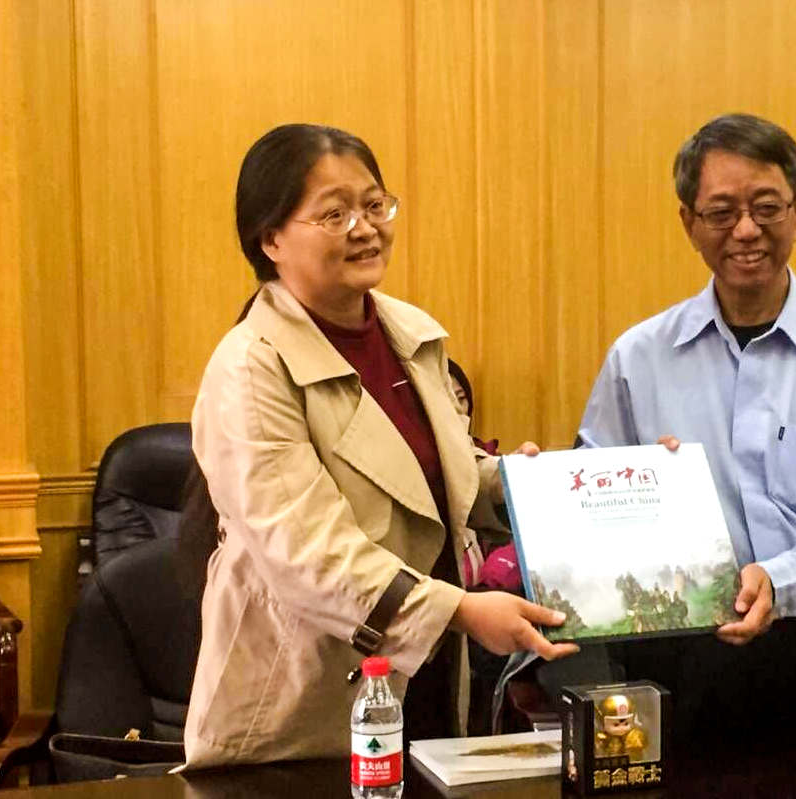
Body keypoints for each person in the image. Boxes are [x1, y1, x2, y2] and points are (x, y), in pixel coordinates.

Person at [182, 124, 575, 769]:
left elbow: (438, 480)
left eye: (374, 205)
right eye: (334, 214)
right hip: (304, 714)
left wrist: (556, 486)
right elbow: (309, 553)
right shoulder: (249, 368)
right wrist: (458, 610)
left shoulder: (409, 334)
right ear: (271, 239)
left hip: (427, 678)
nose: (365, 228)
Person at [577, 113, 796, 740]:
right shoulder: (638, 359)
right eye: (722, 212)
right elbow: (590, 508)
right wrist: (589, 490)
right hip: (677, 656)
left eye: (767, 207)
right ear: (689, 223)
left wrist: (780, 581)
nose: (747, 230)